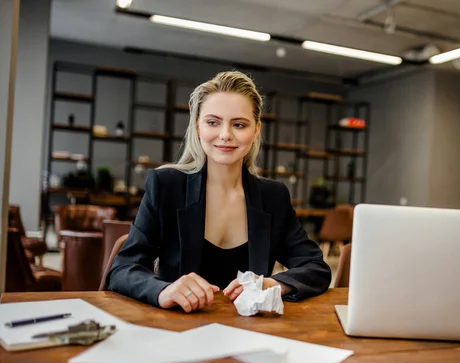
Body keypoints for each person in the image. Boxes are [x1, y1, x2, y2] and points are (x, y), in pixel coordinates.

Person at [105, 71, 331, 312]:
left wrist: (274, 284)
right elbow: (122, 269)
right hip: (178, 329)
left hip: (250, 331)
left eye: (239, 124)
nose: (225, 135)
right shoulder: (166, 186)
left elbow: (315, 267)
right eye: (213, 122)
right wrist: (162, 290)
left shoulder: (273, 196)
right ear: (198, 127)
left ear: (256, 130)